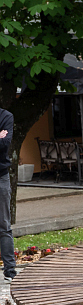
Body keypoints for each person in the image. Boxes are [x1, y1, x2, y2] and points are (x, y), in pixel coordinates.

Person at [0, 107, 14, 282]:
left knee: (4, 224)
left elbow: (5, 143)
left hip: (1, 176)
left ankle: (10, 270)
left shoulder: (6, 116)